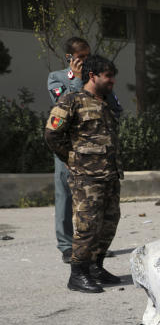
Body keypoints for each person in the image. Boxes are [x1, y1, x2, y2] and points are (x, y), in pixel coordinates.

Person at [44, 55, 123, 294]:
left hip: (110, 175)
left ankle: (96, 268)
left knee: (108, 224)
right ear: (92, 76)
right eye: (108, 76)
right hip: (86, 177)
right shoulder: (71, 101)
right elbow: (51, 134)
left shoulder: (107, 102)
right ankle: (78, 274)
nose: (112, 81)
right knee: (87, 227)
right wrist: (70, 157)